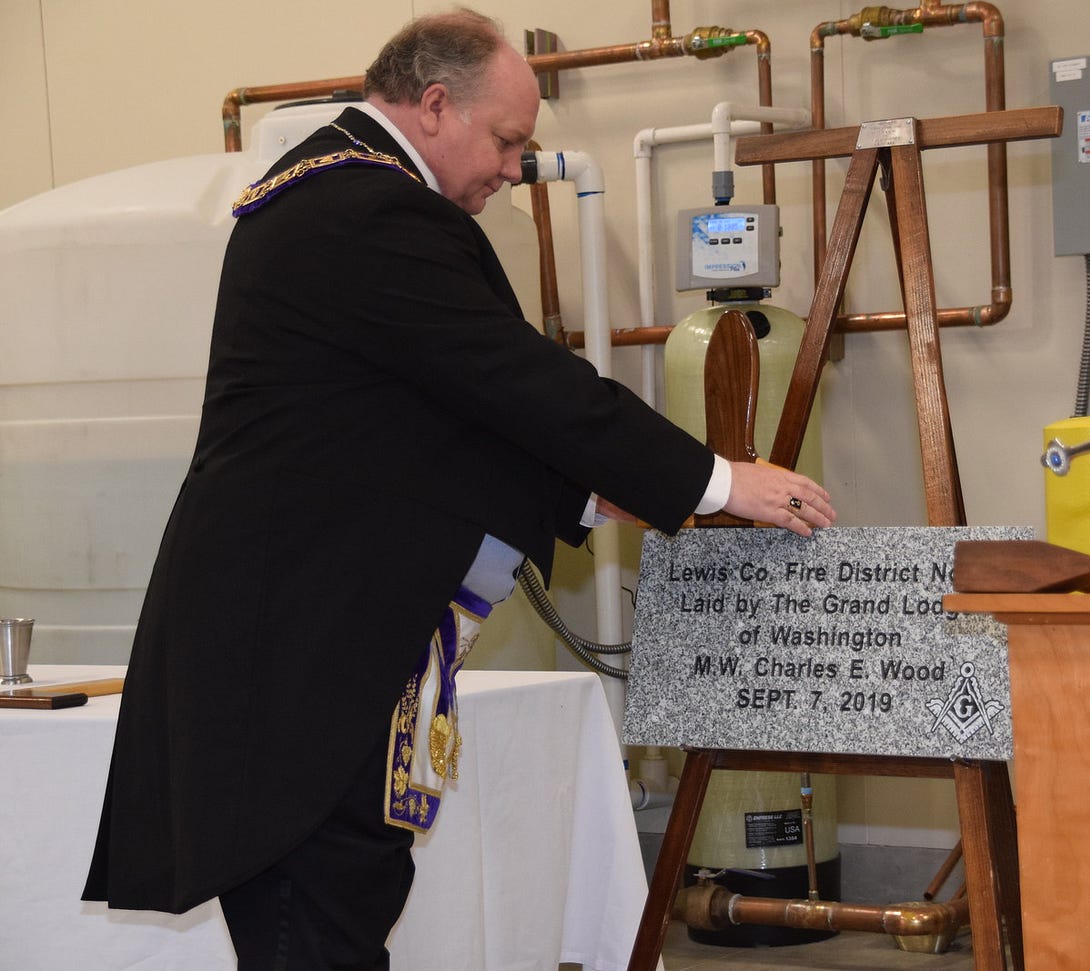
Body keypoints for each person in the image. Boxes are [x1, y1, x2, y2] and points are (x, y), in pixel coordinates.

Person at [82, 10, 835, 967]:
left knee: (334, 912)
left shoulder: (335, 193)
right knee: (314, 925)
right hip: (296, 664)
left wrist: (582, 497)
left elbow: (410, 425)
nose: (518, 167)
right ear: (435, 106)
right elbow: (514, 379)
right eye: (510, 140)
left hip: (288, 644)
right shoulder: (368, 207)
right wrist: (721, 480)